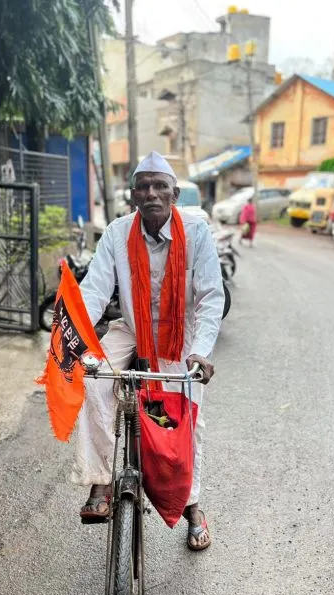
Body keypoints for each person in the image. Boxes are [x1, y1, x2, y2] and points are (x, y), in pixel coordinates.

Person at [72, 151, 225, 551]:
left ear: (174, 193)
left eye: (160, 186)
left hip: (182, 338)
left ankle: (192, 507)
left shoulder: (197, 233)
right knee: (93, 380)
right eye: (143, 186)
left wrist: (202, 351)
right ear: (133, 195)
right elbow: (94, 291)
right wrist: (77, 343)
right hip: (133, 326)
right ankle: (101, 482)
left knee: (183, 421)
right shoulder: (117, 233)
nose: (152, 193)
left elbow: (211, 296)